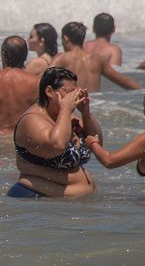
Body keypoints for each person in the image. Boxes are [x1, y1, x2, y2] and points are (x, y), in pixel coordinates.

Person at [7, 67, 100, 199]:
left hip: (67, 205)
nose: (73, 97)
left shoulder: (67, 117)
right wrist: (66, 110)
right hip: (37, 200)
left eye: (75, 92)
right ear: (50, 92)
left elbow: (96, 142)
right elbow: (57, 145)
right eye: (68, 92)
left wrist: (86, 113)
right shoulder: (32, 120)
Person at [52, 22, 141, 93]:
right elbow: (124, 81)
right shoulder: (97, 59)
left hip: (73, 107)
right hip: (94, 106)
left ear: (65, 38)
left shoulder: (62, 58)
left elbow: (43, 79)